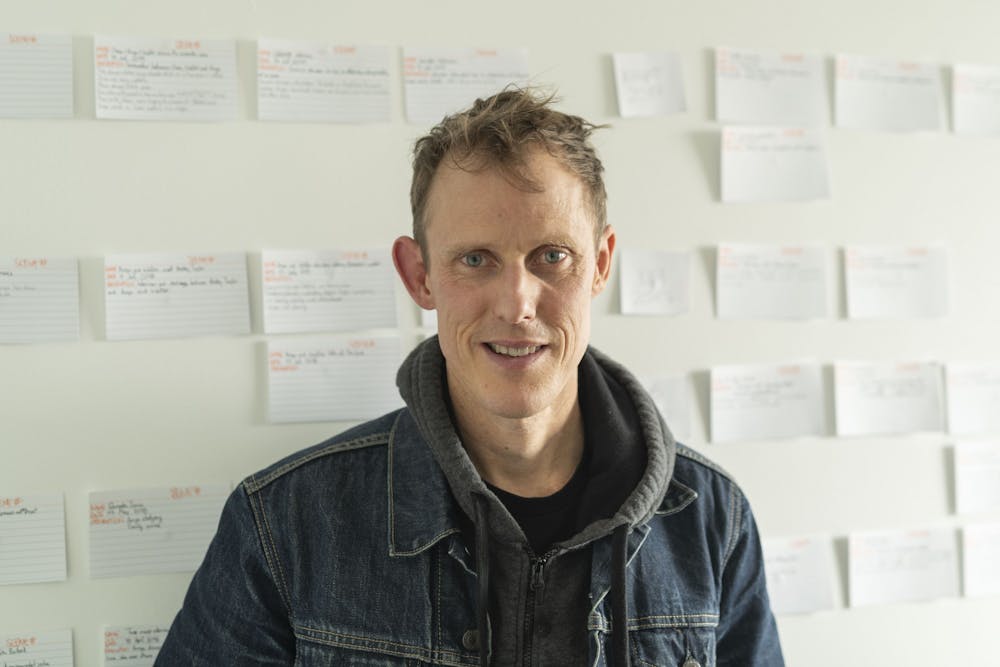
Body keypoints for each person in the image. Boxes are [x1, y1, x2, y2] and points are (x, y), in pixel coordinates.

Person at [156, 88, 784, 666]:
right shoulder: (285, 522)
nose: (516, 305)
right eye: (475, 259)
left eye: (552, 257)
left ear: (600, 265)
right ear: (420, 275)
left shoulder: (712, 519)